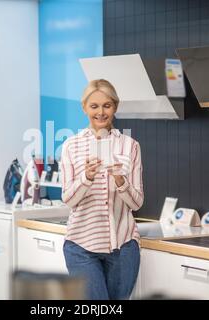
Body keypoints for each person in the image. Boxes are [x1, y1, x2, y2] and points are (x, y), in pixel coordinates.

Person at [60, 79, 144, 300]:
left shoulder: (130, 145)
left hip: (124, 248)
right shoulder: (71, 146)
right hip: (81, 246)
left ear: (115, 107)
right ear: (84, 107)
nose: (100, 112)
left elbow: (137, 203)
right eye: (94, 106)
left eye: (107, 105)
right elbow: (68, 199)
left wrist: (119, 179)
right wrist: (86, 177)